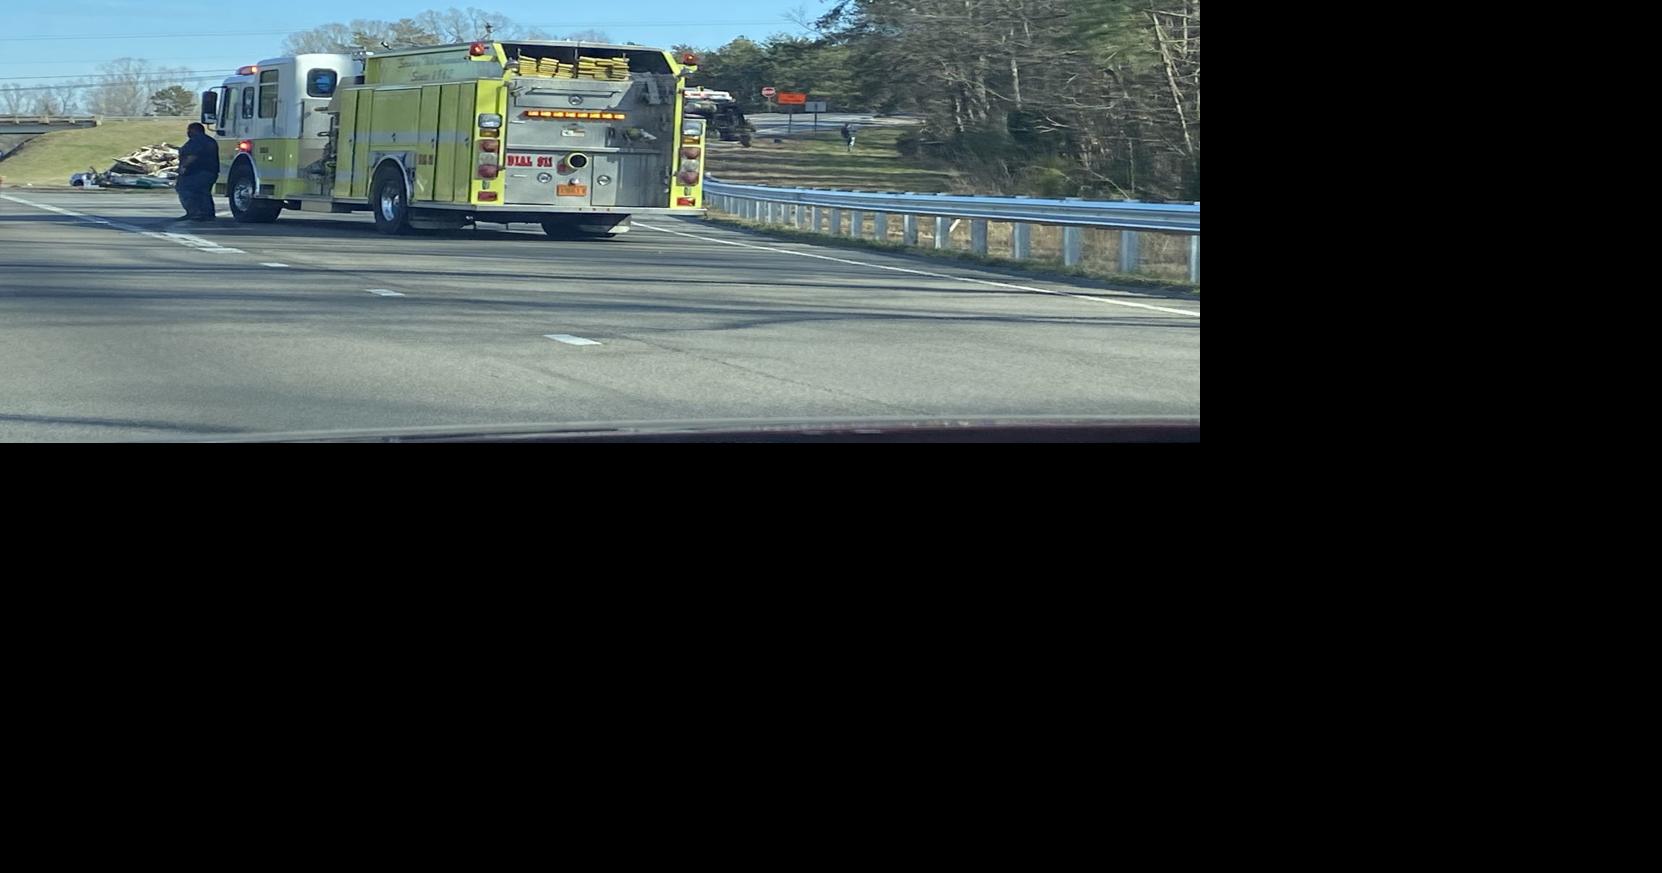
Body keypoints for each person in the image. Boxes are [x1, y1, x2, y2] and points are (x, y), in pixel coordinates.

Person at [174, 122, 219, 222]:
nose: (188, 132)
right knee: (204, 193)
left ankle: (195, 212)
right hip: (210, 171)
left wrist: (184, 166)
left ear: (193, 130)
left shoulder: (196, 141)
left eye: (189, 130)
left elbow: (192, 155)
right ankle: (207, 214)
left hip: (195, 171)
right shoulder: (210, 140)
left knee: (186, 190)